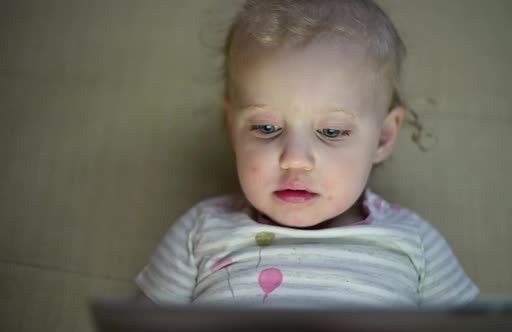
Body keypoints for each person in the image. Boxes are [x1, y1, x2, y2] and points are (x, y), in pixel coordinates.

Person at [136, 0, 479, 308]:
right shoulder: (202, 231)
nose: (295, 159)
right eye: (266, 128)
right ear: (233, 127)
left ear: (383, 137)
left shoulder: (414, 242)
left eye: (331, 131)